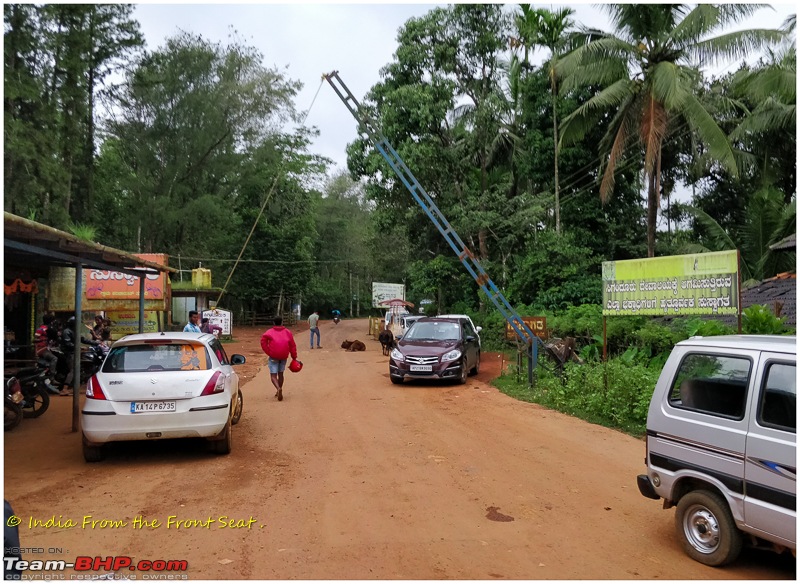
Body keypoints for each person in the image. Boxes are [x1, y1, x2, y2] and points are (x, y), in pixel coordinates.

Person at [259, 316, 298, 402]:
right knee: (281, 374)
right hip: (284, 356)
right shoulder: (288, 332)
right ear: (282, 322)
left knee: (273, 376)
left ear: (273, 323)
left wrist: (269, 351)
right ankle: (279, 389)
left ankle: (278, 388)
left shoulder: (269, 332)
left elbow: (263, 342)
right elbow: (292, 345)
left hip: (273, 356)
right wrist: (294, 357)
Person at [34, 314, 59, 393]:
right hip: (42, 349)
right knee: (54, 358)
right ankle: (52, 377)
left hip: (47, 348)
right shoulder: (42, 329)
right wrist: (44, 340)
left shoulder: (49, 328)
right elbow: (35, 339)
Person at [59, 316, 77, 396]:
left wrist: (96, 342)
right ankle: (64, 389)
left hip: (71, 352)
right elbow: (68, 343)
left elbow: (82, 339)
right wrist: (77, 346)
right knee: (72, 370)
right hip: (68, 353)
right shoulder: (67, 331)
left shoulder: (73, 331)